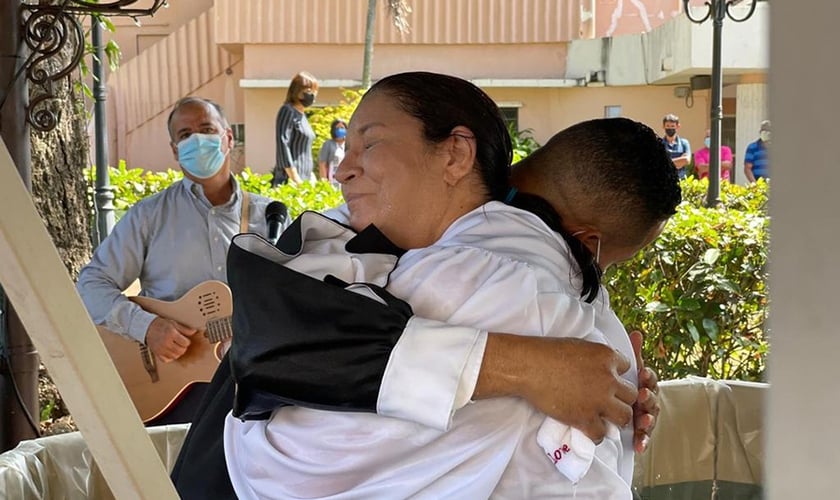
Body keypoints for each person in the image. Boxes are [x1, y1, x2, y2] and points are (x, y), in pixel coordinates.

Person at [221, 73, 678, 498]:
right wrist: (528, 365)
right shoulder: (428, 247)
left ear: (458, 154)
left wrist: (241, 433)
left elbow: (295, 467)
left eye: (371, 143)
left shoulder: (495, 277)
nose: (342, 170)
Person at [76, 96, 274, 425]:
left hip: (256, 378)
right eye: (185, 135)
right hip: (178, 390)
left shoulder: (269, 217)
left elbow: (294, 296)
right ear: (174, 150)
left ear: (228, 138)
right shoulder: (148, 217)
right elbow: (91, 285)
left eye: (207, 129)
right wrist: (146, 326)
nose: (196, 140)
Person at [272, 71, 319, 186]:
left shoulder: (303, 116)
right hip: (290, 181)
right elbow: (283, 143)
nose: (312, 95)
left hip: (305, 177)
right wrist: (294, 177)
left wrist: (311, 175)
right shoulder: (287, 111)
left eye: (314, 91)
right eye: (308, 91)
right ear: (296, 91)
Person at [317, 118, 347, 187]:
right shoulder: (328, 144)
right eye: (337, 128)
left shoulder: (348, 144)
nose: (340, 130)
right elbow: (322, 163)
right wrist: (324, 181)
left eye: (342, 127)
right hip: (332, 179)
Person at [661, 113, 691, 179]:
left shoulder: (684, 143)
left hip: (681, 180)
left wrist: (667, 162)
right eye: (668, 126)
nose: (670, 128)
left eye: (672, 126)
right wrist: (679, 161)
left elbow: (687, 160)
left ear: (678, 126)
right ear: (663, 126)